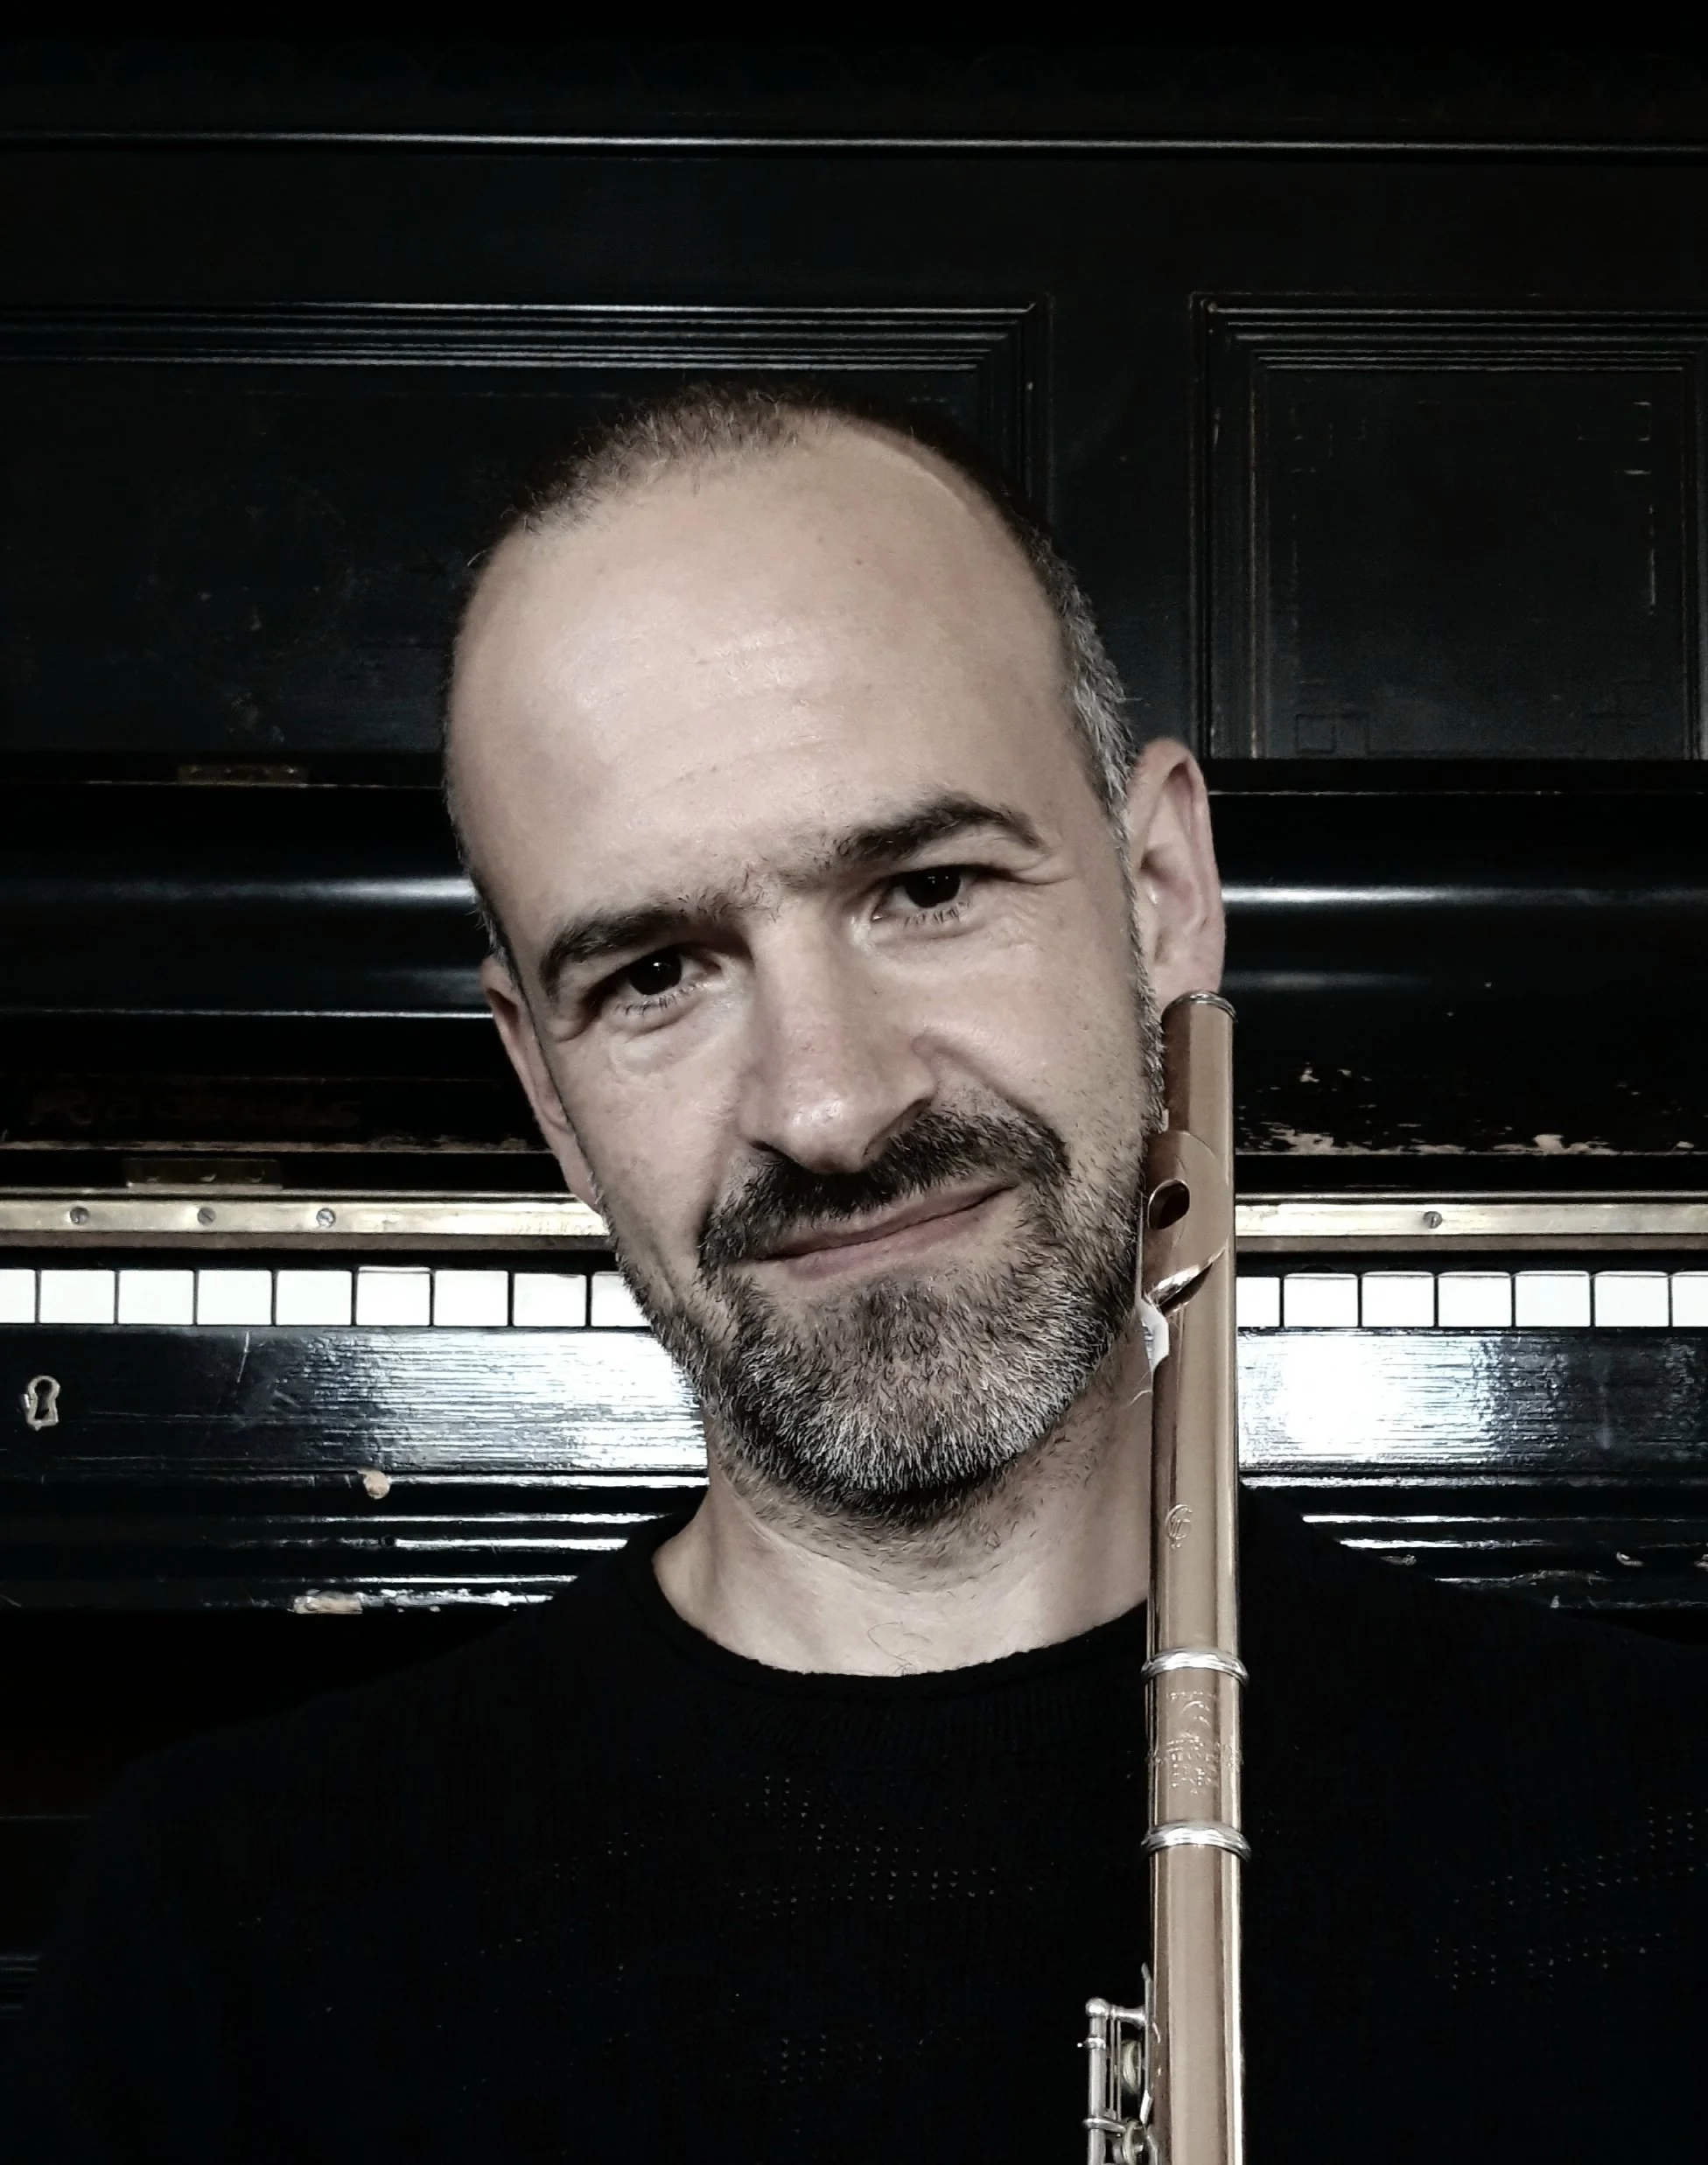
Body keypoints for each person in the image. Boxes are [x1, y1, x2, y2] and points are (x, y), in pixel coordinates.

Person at [5, 385, 1705, 2162]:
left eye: (927, 886)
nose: (828, 1106)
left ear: (1160, 897)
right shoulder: (223, 1937)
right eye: (656, 971)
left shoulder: (1660, 1840)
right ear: (545, 1086)